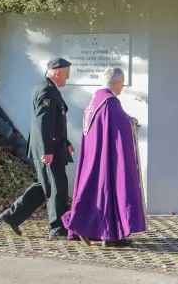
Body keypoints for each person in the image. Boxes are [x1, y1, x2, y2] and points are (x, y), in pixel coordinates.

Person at [61, 67, 147, 248]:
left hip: (92, 157)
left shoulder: (94, 100)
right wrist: (133, 122)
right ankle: (107, 235)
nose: (123, 86)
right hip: (106, 158)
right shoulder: (110, 102)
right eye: (122, 83)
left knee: (95, 195)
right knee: (109, 193)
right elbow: (121, 127)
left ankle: (98, 232)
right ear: (114, 83)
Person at [0, 58, 75, 240]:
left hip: (53, 146)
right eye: (66, 74)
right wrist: (46, 150)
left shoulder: (49, 88)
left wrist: (66, 142)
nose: (68, 77)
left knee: (46, 185)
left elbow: (55, 123)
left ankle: (12, 215)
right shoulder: (46, 90)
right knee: (57, 188)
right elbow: (43, 123)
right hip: (49, 150)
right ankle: (57, 230)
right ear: (57, 73)